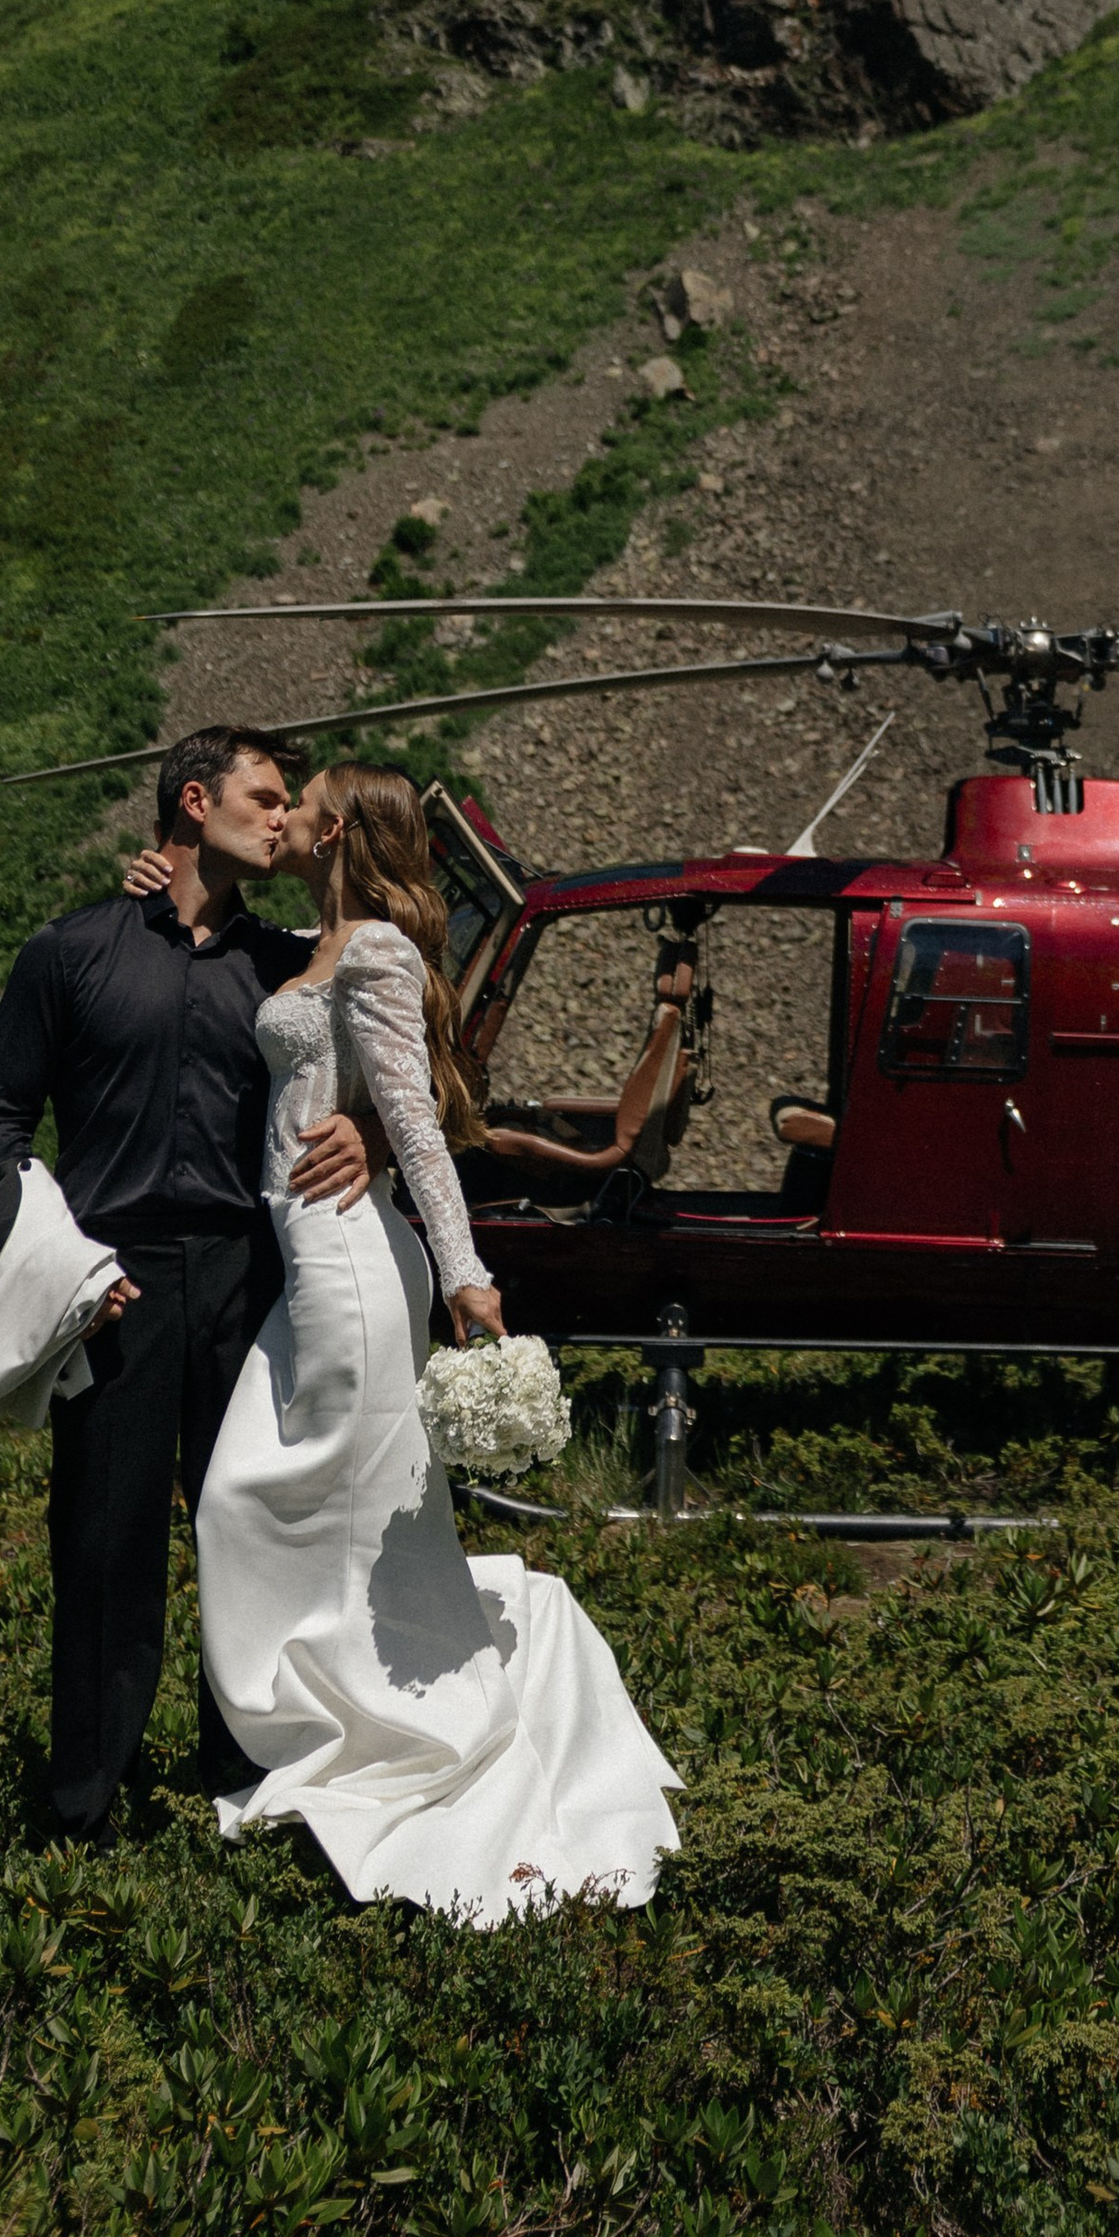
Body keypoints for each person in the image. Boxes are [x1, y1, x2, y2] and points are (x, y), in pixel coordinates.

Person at [189, 761, 681, 1919]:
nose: (284, 813)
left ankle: (391, 1724)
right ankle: (344, 1712)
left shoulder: (371, 952)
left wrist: (467, 1279)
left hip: (351, 1266)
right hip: (312, 1264)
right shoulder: (326, 939)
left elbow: (414, 1123)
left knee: (271, 1504)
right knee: (277, 1504)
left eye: (296, 798)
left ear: (338, 823)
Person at [0, 724, 375, 1838]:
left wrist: (368, 1137)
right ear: (194, 802)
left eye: (291, 802)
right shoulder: (70, 951)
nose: (281, 815)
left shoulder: (288, 965)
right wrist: (60, 1264)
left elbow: (404, 1044)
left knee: (256, 1539)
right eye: (263, 795)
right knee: (104, 1545)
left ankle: (245, 1791)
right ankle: (82, 1811)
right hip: (114, 1286)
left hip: (253, 1284)